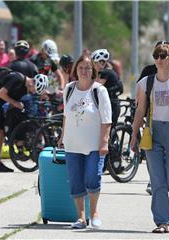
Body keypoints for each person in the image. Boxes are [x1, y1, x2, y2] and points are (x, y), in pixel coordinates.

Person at [130, 43, 169, 233]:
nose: (159, 59)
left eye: (163, 55)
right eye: (156, 55)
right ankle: (162, 221)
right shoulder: (145, 83)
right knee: (157, 180)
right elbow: (140, 111)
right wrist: (134, 135)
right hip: (153, 131)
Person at [58, 55, 112, 229]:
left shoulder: (99, 91)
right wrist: (62, 136)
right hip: (72, 143)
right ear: (75, 70)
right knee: (75, 180)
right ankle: (81, 217)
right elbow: (66, 115)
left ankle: (94, 213)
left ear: (93, 71)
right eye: (81, 67)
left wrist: (104, 142)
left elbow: (107, 119)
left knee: (92, 178)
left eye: (88, 68)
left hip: (94, 145)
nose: (84, 71)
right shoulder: (69, 89)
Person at [0, 72, 49, 172]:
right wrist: (15, 103)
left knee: (1, 131)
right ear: (32, 83)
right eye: (34, 90)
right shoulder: (17, 79)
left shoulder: (24, 88)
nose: (33, 92)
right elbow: (0, 93)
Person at [91, 49, 123, 125]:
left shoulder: (106, 72)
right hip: (111, 103)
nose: (93, 65)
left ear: (102, 63)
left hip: (112, 105)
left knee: (108, 129)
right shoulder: (104, 71)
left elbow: (96, 87)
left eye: (95, 63)